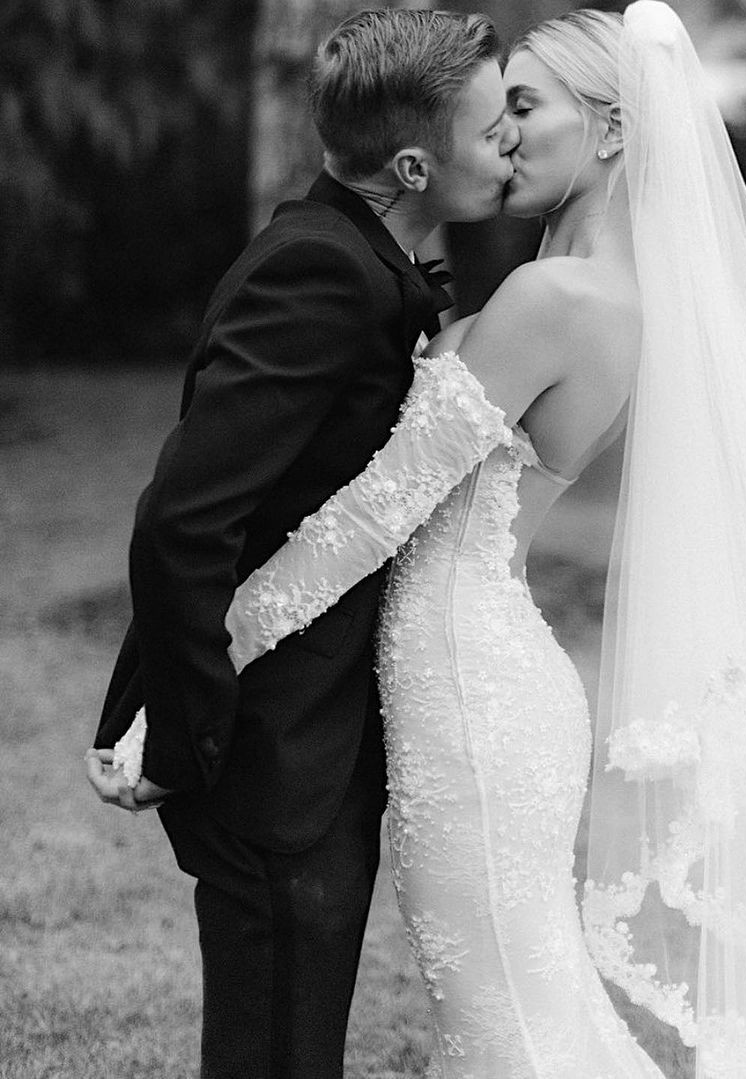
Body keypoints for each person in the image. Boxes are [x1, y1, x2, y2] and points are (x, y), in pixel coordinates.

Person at [109, 3, 746, 1077]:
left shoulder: (557, 297)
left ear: (613, 128)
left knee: (506, 1017)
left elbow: (371, 517)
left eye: (524, 107)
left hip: (470, 683)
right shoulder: (598, 289)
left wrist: (175, 695)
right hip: (473, 673)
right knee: (517, 999)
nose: (506, 135)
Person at [84, 10, 518, 1077]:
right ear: (414, 166)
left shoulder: (363, 255)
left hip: (316, 730)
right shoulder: (317, 271)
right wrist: (194, 741)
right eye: (492, 124)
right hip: (270, 744)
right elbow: (182, 520)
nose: (511, 136)